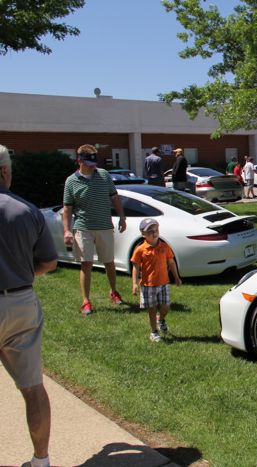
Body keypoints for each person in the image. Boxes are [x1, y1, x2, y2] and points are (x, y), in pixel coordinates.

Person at [0, 144, 58, 467]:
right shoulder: (27, 211)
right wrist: (24, 271)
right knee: (33, 388)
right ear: (5, 172)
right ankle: (41, 461)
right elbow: (49, 262)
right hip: (20, 301)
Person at [63, 144, 127, 315]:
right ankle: (86, 301)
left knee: (109, 262)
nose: (93, 168)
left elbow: (115, 198)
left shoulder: (104, 176)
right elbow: (67, 208)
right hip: (83, 227)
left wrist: (122, 217)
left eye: (94, 164)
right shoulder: (71, 181)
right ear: (79, 161)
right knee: (86, 263)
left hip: (105, 226)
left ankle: (113, 292)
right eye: (89, 165)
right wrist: (67, 231)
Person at [131, 218, 181, 342]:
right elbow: (135, 267)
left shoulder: (164, 247)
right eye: (150, 231)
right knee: (152, 309)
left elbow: (171, 262)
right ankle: (154, 332)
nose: (154, 233)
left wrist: (176, 277)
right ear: (143, 234)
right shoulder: (140, 250)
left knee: (166, 306)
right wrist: (134, 283)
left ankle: (161, 319)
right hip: (148, 285)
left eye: (156, 230)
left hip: (164, 283)